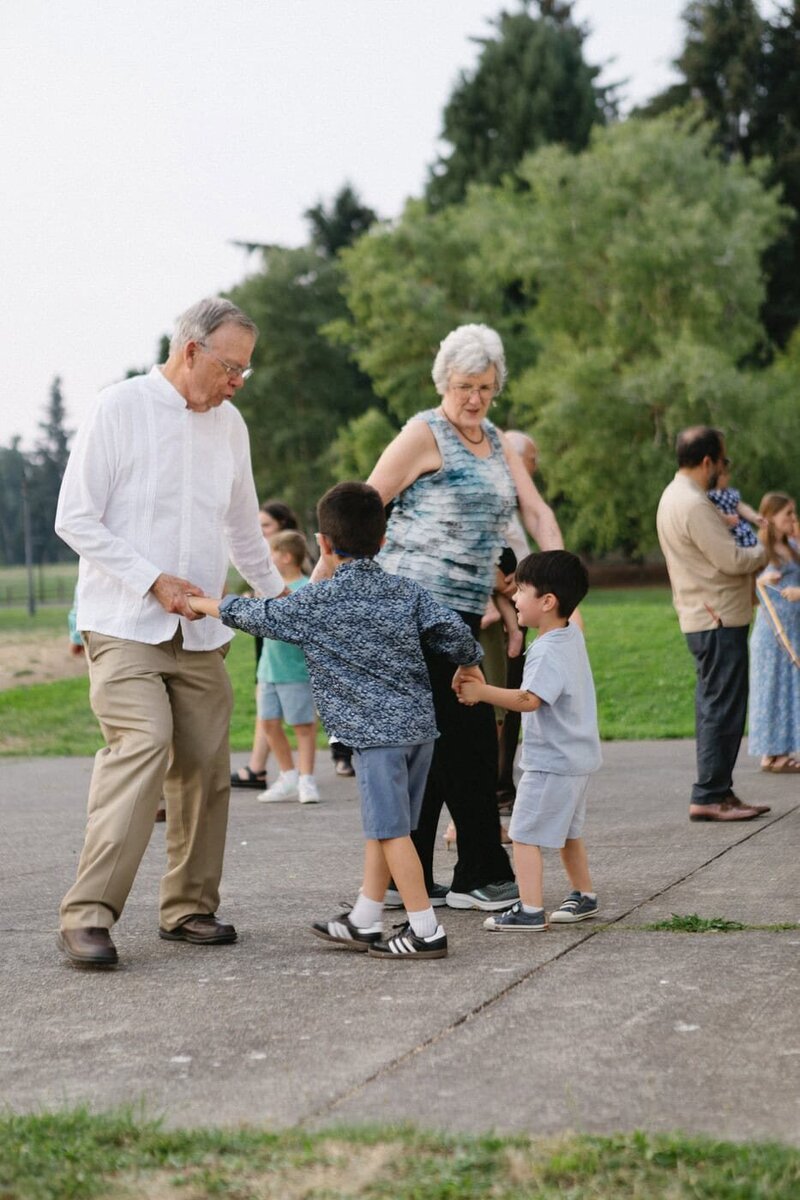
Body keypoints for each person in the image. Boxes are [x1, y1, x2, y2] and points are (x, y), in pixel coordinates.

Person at [54, 297, 286, 968]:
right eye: (230, 365)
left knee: (207, 768)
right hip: (124, 620)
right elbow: (76, 518)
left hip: (202, 632)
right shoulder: (117, 409)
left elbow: (244, 530)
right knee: (144, 743)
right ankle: (87, 915)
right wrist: (153, 579)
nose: (238, 379)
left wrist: (284, 609)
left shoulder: (230, 424)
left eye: (246, 368)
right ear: (190, 352)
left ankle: (188, 908)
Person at [187, 482, 484, 959]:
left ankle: (425, 930)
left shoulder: (318, 601)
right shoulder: (406, 590)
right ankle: (365, 917)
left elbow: (259, 614)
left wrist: (200, 604)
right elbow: (455, 633)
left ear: (323, 544)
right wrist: (470, 662)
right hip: (419, 734)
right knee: (387, 827)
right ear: (382, 541)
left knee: (391, 832)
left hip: (374, 738)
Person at [364, 324, 564, 911]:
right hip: (411, 608)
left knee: (439, 740)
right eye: (463, 387)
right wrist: (339, 583)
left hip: (459, 612)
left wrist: (556, 584)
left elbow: (534, 508)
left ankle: (415, 879)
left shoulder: (497, 440)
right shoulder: (422, 434)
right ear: (441, 383)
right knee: (466, 737)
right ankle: (479, 871)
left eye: (485, 387)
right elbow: (364, 503)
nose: (474, 399)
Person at [457, 551, 601, 931]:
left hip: (551, 762)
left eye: (521, 590)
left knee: (523, 834)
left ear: (547, 601)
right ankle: (584, 895)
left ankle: (531, 910)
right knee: (569, 832)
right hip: (577, 758)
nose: (515, 597)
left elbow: (528, 700)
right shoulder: (570, 636)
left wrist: (482, 692)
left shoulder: (546, 651)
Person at [656, 427, 770, 822]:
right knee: (722, 708)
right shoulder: (692, 504)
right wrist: (766, 546)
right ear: (708, 462)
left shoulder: (677, 497)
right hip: (717, 617)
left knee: (715, 705)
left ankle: (719, 789)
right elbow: (732, 560)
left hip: (706, 615)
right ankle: (710, 794)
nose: (724, 468)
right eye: (724, 462)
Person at [231, 499, 301, 790]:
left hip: (289, 652)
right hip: (268, 640)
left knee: (286, 709)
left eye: (266, 526)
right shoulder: (264, 560)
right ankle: (259, 766)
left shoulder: (297, 567)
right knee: (265, 698)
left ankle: (264, 767)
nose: (260, 533)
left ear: (282, 526)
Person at [255, 530, 320, 804]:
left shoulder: (307, 586)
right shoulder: (267, 588)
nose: (268, 559)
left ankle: (307, 779)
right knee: (269, 724)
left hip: (295, 671)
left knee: (303, 726)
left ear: (285, 557)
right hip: (268, 670)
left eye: (272, 553)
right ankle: (288, 776)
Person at [748, 493, 800, 773]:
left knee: (790, 690)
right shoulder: (758, 548)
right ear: (771, 518)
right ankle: (771, 753)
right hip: (772, 634)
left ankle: (784, 749)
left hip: (794, 631)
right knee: (771, 690)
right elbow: (745, 582)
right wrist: (763, 581)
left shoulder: (792, 547)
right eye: (787, 514)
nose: (793, 519)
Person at [708, 465, 764, 548]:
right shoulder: (708, 495)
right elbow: (711, 511)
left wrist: (754, 517)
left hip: (739, 527)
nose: (729, 477)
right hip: (724, 531)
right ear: (716, 477)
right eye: (725, 475)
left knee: (754, 545)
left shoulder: (730, 493)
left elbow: (741, 507)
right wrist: (725, 518)